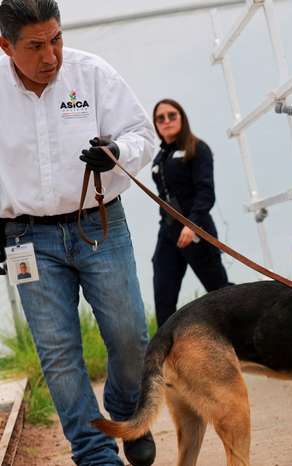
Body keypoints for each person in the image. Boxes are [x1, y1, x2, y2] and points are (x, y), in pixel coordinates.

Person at [0, 1, 155, 465]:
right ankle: (94, 453)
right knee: (59, 352)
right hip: (27, 239)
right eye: (35, 46)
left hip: (100, 224)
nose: (51, 56)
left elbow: (142, 135)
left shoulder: (91, 74)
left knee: (129, 334)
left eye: (56, 39)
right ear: (5, 45)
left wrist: (117, 149)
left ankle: (126, 413)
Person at [150, 99, 231, 327]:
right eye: (160, 118)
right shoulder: (160, 157)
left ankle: (243, 344)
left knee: (220, 292)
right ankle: (166, 355)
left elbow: (206, 193)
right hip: (168, 234)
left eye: (172, 115)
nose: (166, 121)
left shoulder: (197, 149)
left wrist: (192, 224)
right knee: (163, 294)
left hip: (197, 232)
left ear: (182, 118)